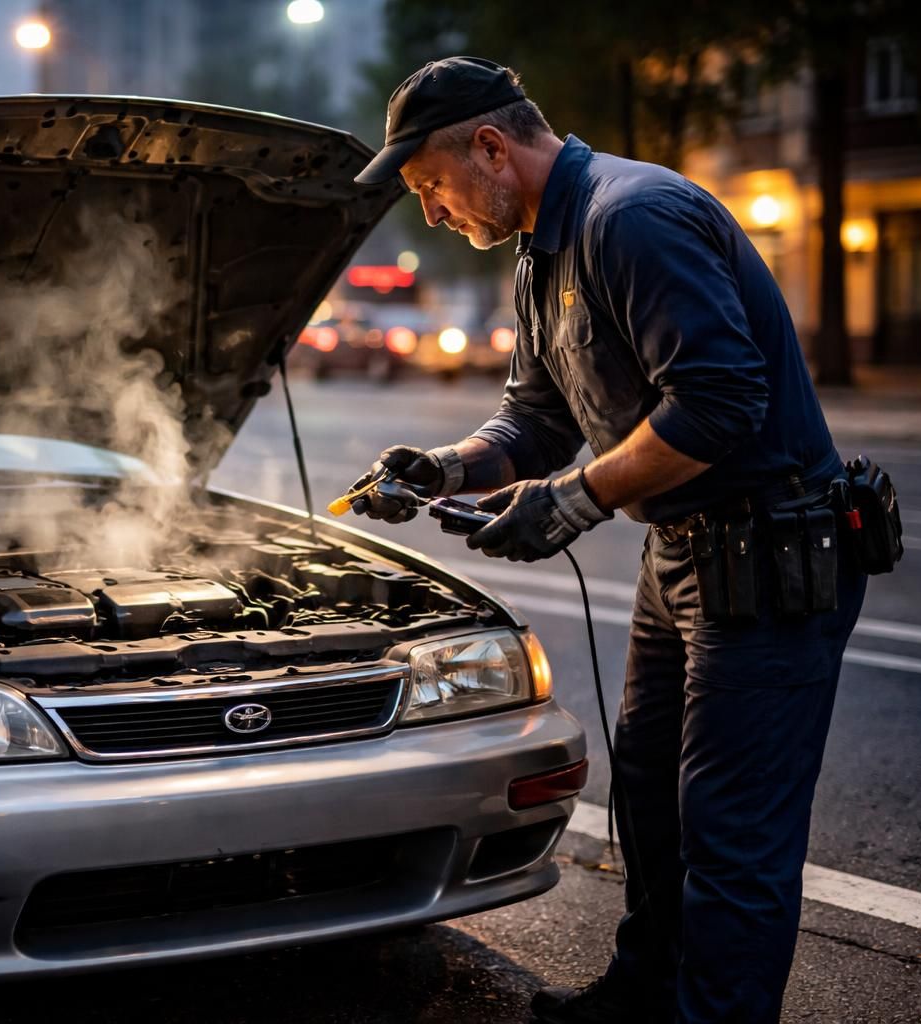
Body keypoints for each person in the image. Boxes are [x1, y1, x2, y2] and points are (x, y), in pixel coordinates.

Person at [348, 56, 867, 1024]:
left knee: (730, 832)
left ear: (490, 147)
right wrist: (447, 468)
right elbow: (534, 416)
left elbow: (718, 403)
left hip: (770, 556)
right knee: (654, 803)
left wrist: (573, 500)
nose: (431, 213)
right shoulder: (542, 249)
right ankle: (644, 996)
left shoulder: (631, 217)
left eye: (430, 187)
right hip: (682, 557)